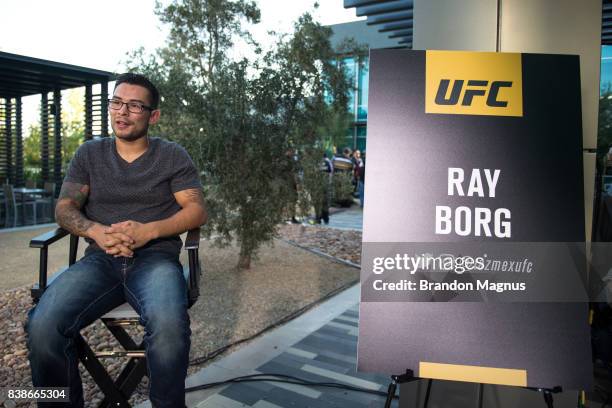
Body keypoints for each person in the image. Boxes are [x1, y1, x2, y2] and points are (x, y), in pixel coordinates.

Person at [25, 73, 207, 408]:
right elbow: (64, 208)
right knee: (42, 326)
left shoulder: (171, 155)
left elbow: (196, 211)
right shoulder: (89, 153)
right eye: (117, 102)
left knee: (169, 329)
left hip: (155, 261)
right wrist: (96, 231)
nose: (122, 112)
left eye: (135, 105)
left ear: (153, 116)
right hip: (100, 261)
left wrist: (147, 232)